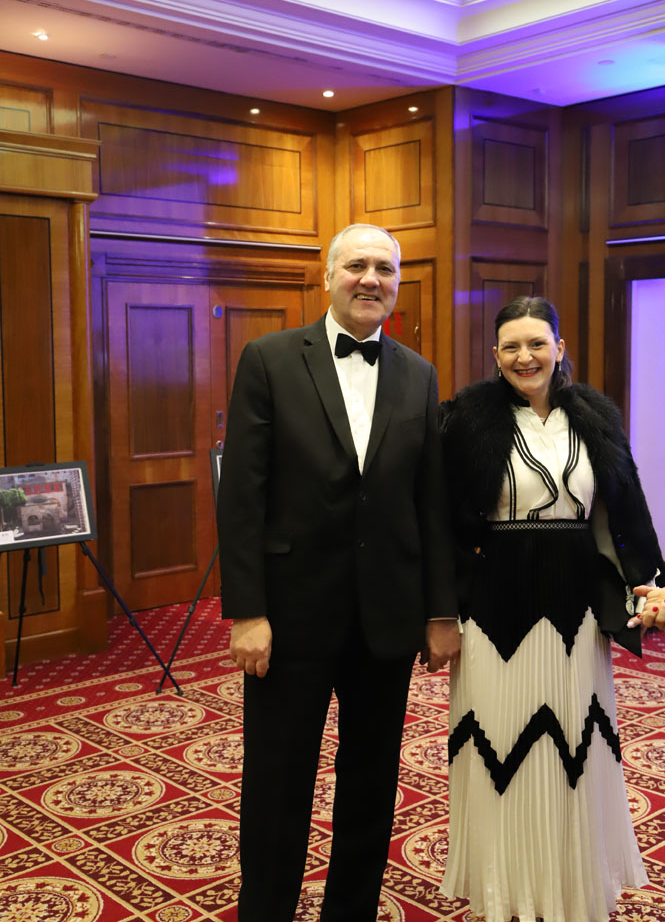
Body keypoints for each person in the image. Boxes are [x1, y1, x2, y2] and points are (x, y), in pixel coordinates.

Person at [217, 223, 459, 922]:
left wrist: (439, 610)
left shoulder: (418, 373)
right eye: (356, 265)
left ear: (397, 282)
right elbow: (242, 497)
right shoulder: (268, 359)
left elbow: (430, 503)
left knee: (371, 780)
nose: (370, 279)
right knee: (277, 781)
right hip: (289, 617)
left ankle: (350, 911)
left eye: (384, 268)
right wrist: (247, 612)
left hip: (386, 617)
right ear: (328, 277)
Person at [439, 295, 665, 922]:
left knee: (576, 749)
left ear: (559, 348)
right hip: (492, 613)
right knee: (500, 748)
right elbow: (442, 522)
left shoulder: (595, 418)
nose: (525, 356)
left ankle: (568, 889)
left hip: (576, 611)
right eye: (511, 345)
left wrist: (650, 584)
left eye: (537, 343)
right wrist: (440, 611)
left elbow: (625, 509)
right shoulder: (466, 420)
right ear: (495, 354)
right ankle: (504, 893)